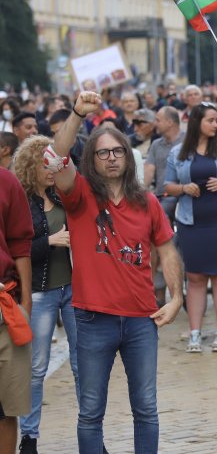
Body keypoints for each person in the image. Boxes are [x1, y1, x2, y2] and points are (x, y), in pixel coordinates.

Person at [49, 91, 184, 453]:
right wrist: (77, 112)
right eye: (102, 153)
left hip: (142, 319)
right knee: (91, 413)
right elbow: (56, 155)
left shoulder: (148, 202)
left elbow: (167, 250)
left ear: (128, 155)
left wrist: (176, 299)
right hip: (93, 319)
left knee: (147, 410)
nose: (111, 158)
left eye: (118, 151)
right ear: (91, 160)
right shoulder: (78, 197)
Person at [13, 136, 78, 454]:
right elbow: (17, 251)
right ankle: (29, 436)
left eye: (54, 163)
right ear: (29, 166)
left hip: (73, 290)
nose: (51, 169)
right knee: (36, 368)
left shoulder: (62, 195)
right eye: (44, 164)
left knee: (83, 364)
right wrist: (50, 241)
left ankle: (89, 433)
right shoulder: (22, 202)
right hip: (39, 293)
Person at [164, 102, 217, 352]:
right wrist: (184, 189)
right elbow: (168, 186)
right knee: (194, 277)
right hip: (189, 222)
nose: (216, 124)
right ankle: (195, 333)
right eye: (210, 120)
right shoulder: (178, 153)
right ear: (197, 122)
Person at [0, 167, 34, 454]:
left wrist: (25, 305)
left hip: (5, 307)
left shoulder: (5, 180)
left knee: (6, 408)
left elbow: (20, 244)